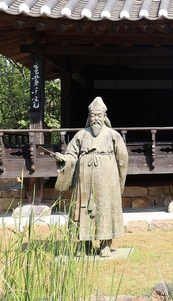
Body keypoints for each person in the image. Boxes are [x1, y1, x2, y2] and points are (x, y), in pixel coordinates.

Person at [53, 97, 129, 257]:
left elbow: (122, 159)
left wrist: (119, 182)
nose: (96, 119)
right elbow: (71, 155)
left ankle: (105, 243)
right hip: (84, 179)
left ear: (104, 117)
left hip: (107, 178)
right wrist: (64, 159)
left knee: (105, 207)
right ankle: (84, 243)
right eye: (93, 116)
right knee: (82, 209)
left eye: (99, 116)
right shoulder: (81, 135)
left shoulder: (113, 135)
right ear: (89, 117)